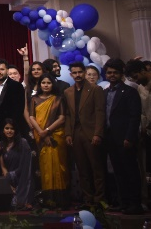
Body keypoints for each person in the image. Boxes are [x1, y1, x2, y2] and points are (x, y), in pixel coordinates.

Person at [101, 59, 143, 215]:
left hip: (125, 138)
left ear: (121, 74)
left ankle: (135, 204)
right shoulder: (105, 93)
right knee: (118, 172)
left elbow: (135, 116)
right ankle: (123, 202)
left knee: (130, 172)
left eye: (115, 73)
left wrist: (130, 137)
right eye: (109, 73)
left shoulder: (130, 92)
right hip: (110, 138)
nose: (112, 75)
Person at [63, 62, 106, 209]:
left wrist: (98, 133)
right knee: (82, 169)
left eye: (80, 72)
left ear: (84, 72)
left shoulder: (95, 89)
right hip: (75, 132)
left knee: (96, 167)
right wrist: (68, 133)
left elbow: (100, 112)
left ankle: (100, 199)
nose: (77, 75)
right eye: (74, 73)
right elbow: (68, 114)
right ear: (71, 74)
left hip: (91, 132)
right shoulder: (68, 92)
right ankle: (88, 199)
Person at [125, 59, 151, 214]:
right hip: (149, 133)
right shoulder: (141, 88)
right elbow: (142, 112)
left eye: (136, 76)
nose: (135, 81)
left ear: (143, 71)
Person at [28, 73, 68, 208]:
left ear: (53, 84)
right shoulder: (34, 99)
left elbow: (62, 118)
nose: (46, 85)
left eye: (48, 83)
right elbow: (32, 117)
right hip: (40, 136)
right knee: (45, 167)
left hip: (55, 135)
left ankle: (61, 200)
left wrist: (47, 131)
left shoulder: (58, 99)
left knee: (58, 166)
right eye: (43, 83)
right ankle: (48, 200)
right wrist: (41, 133)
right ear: (40, 85)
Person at [0, 119, 33, 211]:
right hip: (8, 179)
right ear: (3, 130)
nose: (9, 131)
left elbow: (26, 167)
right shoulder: (1, 145)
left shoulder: (23, 143)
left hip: (22, 178)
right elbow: (3, 166)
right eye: (7, 128)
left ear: (15, 130)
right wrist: (8, 183)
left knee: (21, 206)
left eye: (12, 128)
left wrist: (14, 176)